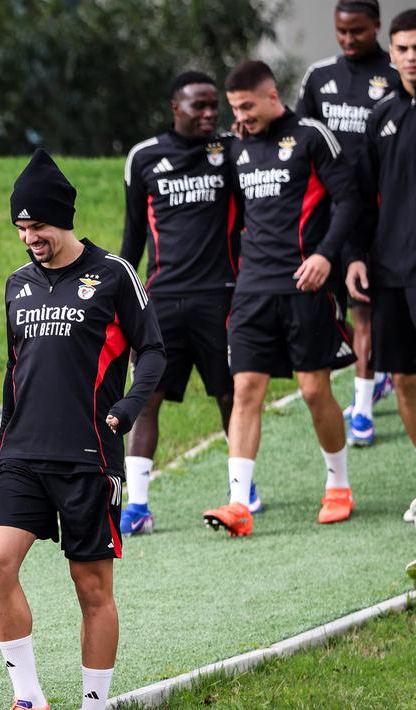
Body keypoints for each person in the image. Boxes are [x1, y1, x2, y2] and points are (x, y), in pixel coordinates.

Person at [0, 150, 165, 710]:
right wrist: (5, 437)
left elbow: (153, 350)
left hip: (89, 455)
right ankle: (28, 697)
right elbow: (15, 367)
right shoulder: (17, 284)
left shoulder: (114, 275)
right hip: (22, 455)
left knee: (91, 587)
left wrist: (130, 406)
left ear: (63, 218)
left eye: (37, 226)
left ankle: (94, 702)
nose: (29, 238)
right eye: (21, 228)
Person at [203, 60, 360, 537]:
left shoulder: (312, 136)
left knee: (314, 390)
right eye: (234, 109)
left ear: (272, 96)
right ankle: (238, 503)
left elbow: (349, 200)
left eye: (247, 106)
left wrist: (326, 256)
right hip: (252, 291)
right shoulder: (234, 146)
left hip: (306, 286)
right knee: (246, 390)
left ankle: (339, 486)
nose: (240, 116)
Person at [119, 71, 244, 535]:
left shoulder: (232, 151)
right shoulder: (144, 157)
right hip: (162, 301)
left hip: (221, 297)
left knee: (230, 395)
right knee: (146, 398)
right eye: (199, 106)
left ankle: (242, 490)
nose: (210, 114)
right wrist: (119, 295)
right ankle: (137, 506)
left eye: (215, 106)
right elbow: (133, 234)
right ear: (176, 107)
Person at [296, 0, 402, 445]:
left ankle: (362, 410)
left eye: (357, 31)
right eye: (341, 31)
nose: (348, 39)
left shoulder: (396, 75)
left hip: (379, 213)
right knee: (338, 304)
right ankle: (373, 376)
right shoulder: (319, 77)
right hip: (330, 214)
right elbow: (299, 134)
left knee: (364, 307)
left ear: (376, 26)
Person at [346, 9, 416, 523]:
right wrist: (353, 256)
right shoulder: (382, 117)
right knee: (407, 380)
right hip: (391, 271)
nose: (412, 58)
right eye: (404, 49)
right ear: (392, 55)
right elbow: (361, 198)